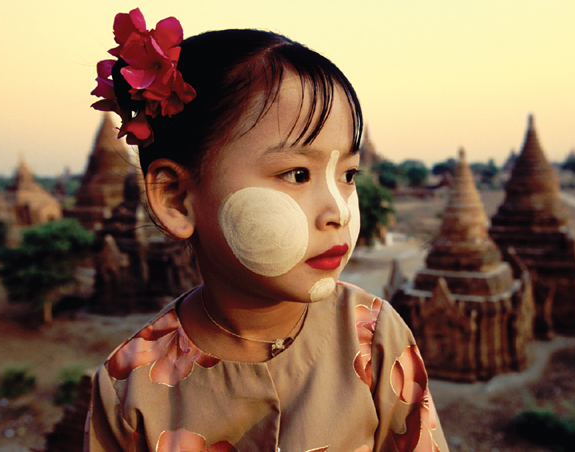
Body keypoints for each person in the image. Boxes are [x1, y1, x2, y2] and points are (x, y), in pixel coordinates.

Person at [85, 8, 449, 452]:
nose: (338, 211)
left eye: (348, 176)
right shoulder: (128, 387)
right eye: (297, 174)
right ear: (178, 199)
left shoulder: (374, 336)